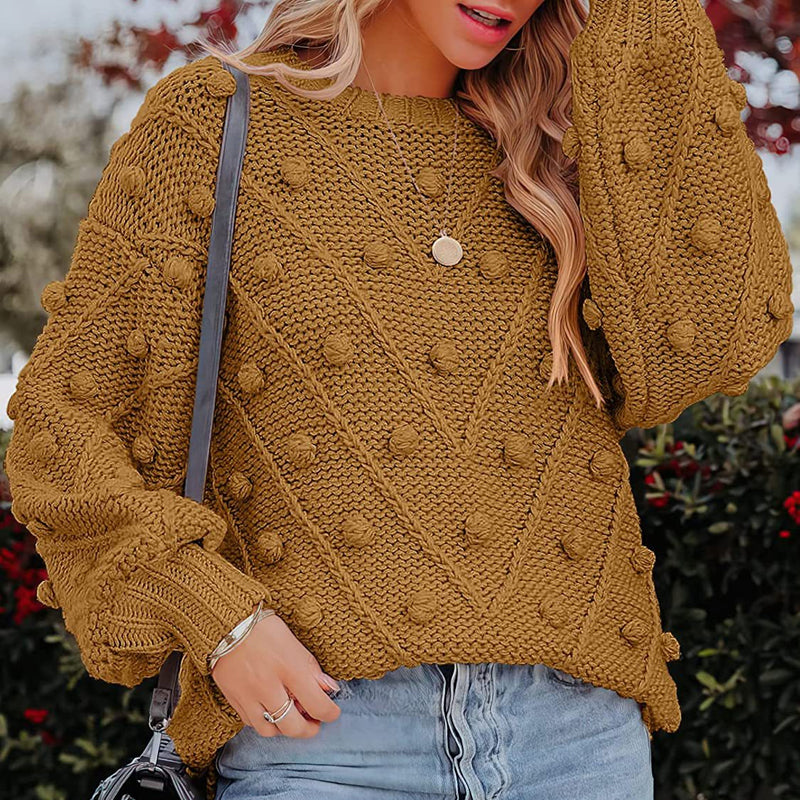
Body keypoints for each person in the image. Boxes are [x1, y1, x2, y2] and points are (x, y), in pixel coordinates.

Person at [4, 0, 794, 796]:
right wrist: (220, 620)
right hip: (323, 742)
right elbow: (60, 425)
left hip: (577, 739)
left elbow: (717, 340)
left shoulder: (564, 144)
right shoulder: (215, 121)